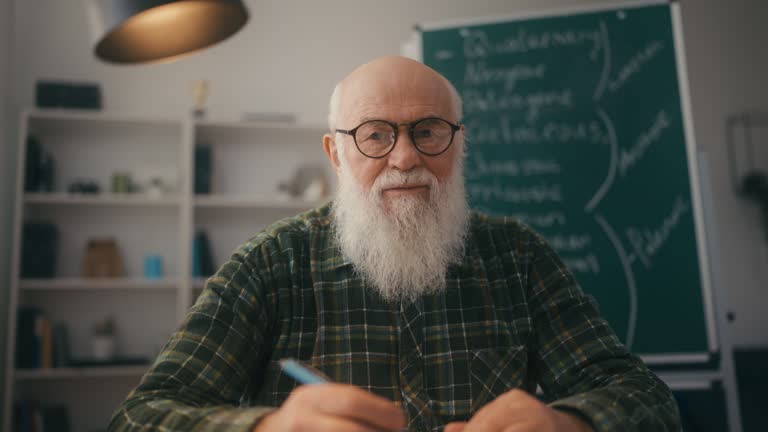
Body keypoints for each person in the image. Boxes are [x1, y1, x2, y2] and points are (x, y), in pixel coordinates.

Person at [109, 56, 681, 432]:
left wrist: (568, 424)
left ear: (457, 145)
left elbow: (644, 397)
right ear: (336, 154)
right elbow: (139, 417)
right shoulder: (269, 264)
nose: (404, 157)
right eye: (375, 134)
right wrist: (266, 428)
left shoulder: (518, 256)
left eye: (427, 131)